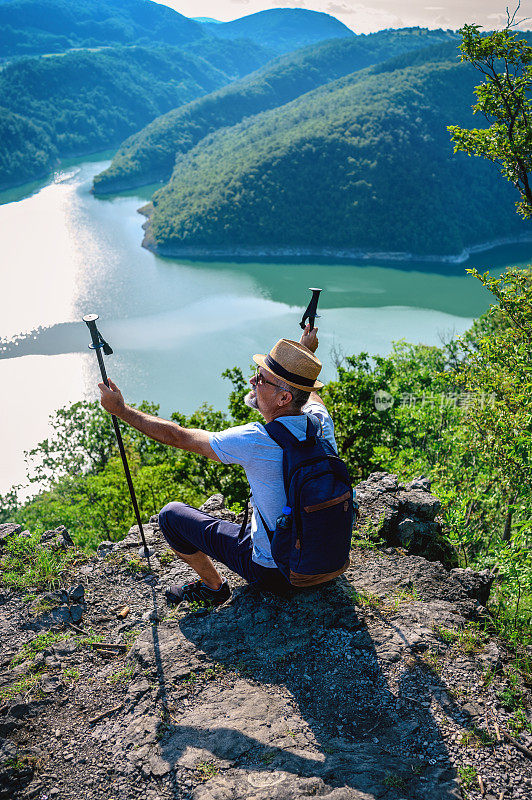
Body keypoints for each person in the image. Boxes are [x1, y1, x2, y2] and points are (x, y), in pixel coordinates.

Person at [98, 324, 337, 605]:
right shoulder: (320, 422)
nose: (252, 380)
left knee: (171, 517)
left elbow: (179, 436)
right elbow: (308, 394)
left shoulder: (255, 440)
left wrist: (121, 411)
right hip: (327, 562)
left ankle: (213, 587)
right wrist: (301, 358)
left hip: (276, 573)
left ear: (285, 398)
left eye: (261, 379)